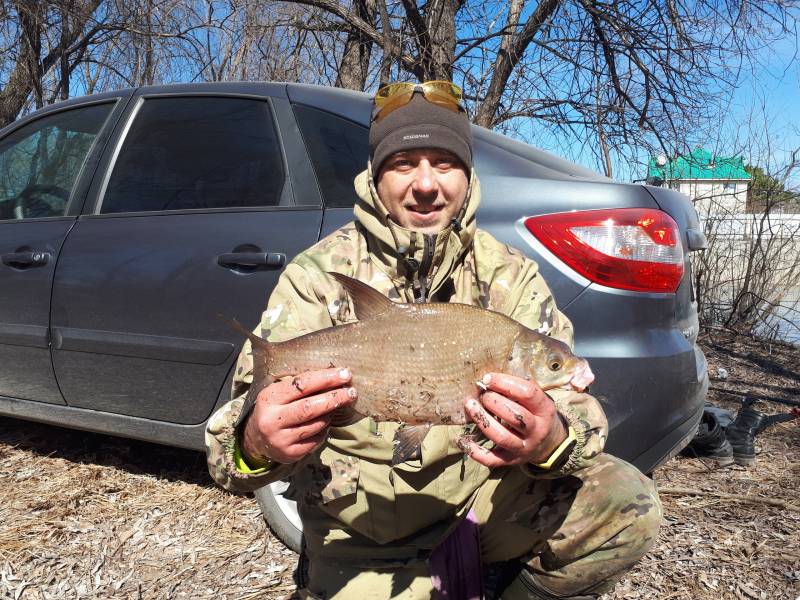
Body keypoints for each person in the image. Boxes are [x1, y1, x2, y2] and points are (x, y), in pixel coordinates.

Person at [205, 81, 661, 599]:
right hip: (360, 526)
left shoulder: (510, 276)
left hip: (482, 508)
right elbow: (227, 453)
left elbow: (581, 415)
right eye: (403, 163)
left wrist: (552, 436)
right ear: (376, 175)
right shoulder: (317, 276)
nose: (426, 184)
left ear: (467, 175)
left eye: (444, 163)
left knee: (627, 504)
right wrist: (256, 443)